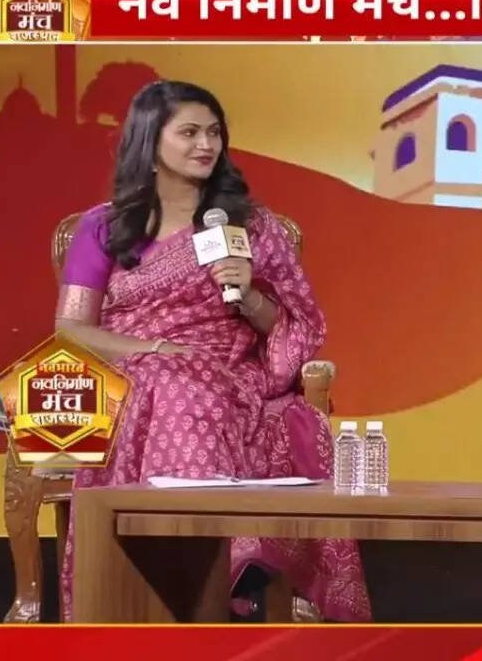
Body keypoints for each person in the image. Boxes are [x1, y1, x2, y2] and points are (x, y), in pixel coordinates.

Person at [54, 80, 372, 622]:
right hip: (131, 372)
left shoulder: (251, 226)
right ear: (150, 140)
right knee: (171, 383)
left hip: (228, 376)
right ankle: (165, 586)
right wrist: (156, 349)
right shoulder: (103, 227)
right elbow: (72, 331)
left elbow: (293, 327)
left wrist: (248, 294)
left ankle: (211, 586)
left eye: (214, 132)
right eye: (189, 133)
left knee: (194, 388)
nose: (206, 144)